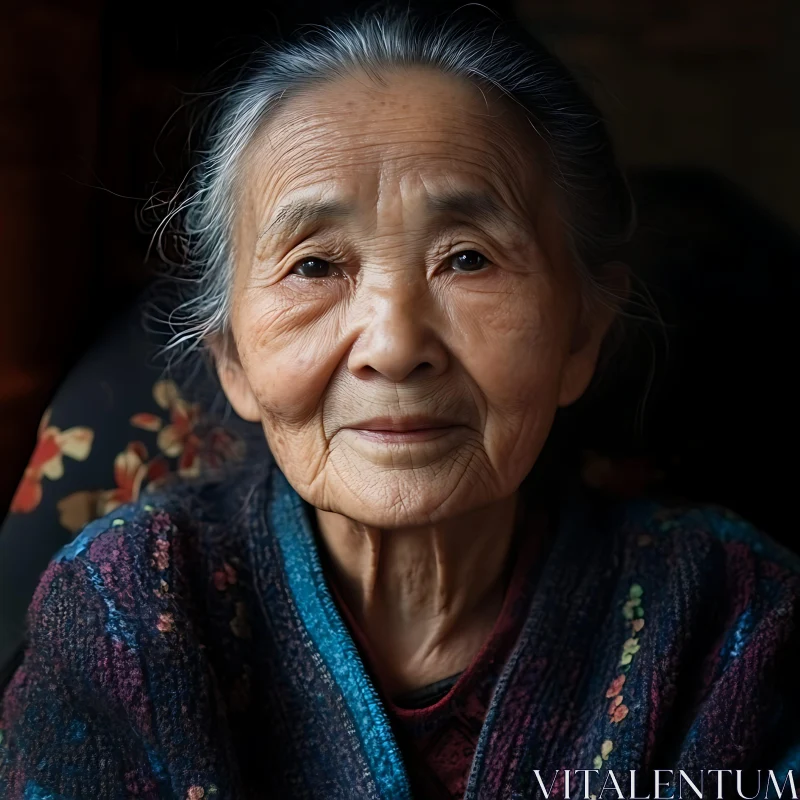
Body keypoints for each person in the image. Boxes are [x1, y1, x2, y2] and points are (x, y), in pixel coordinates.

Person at [1, 7, 799, 799]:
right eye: (314, 266)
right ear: (234, 359)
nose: (392, 343)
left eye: (467, 257)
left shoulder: (730, 615)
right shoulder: (129, 605)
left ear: (581, 336)